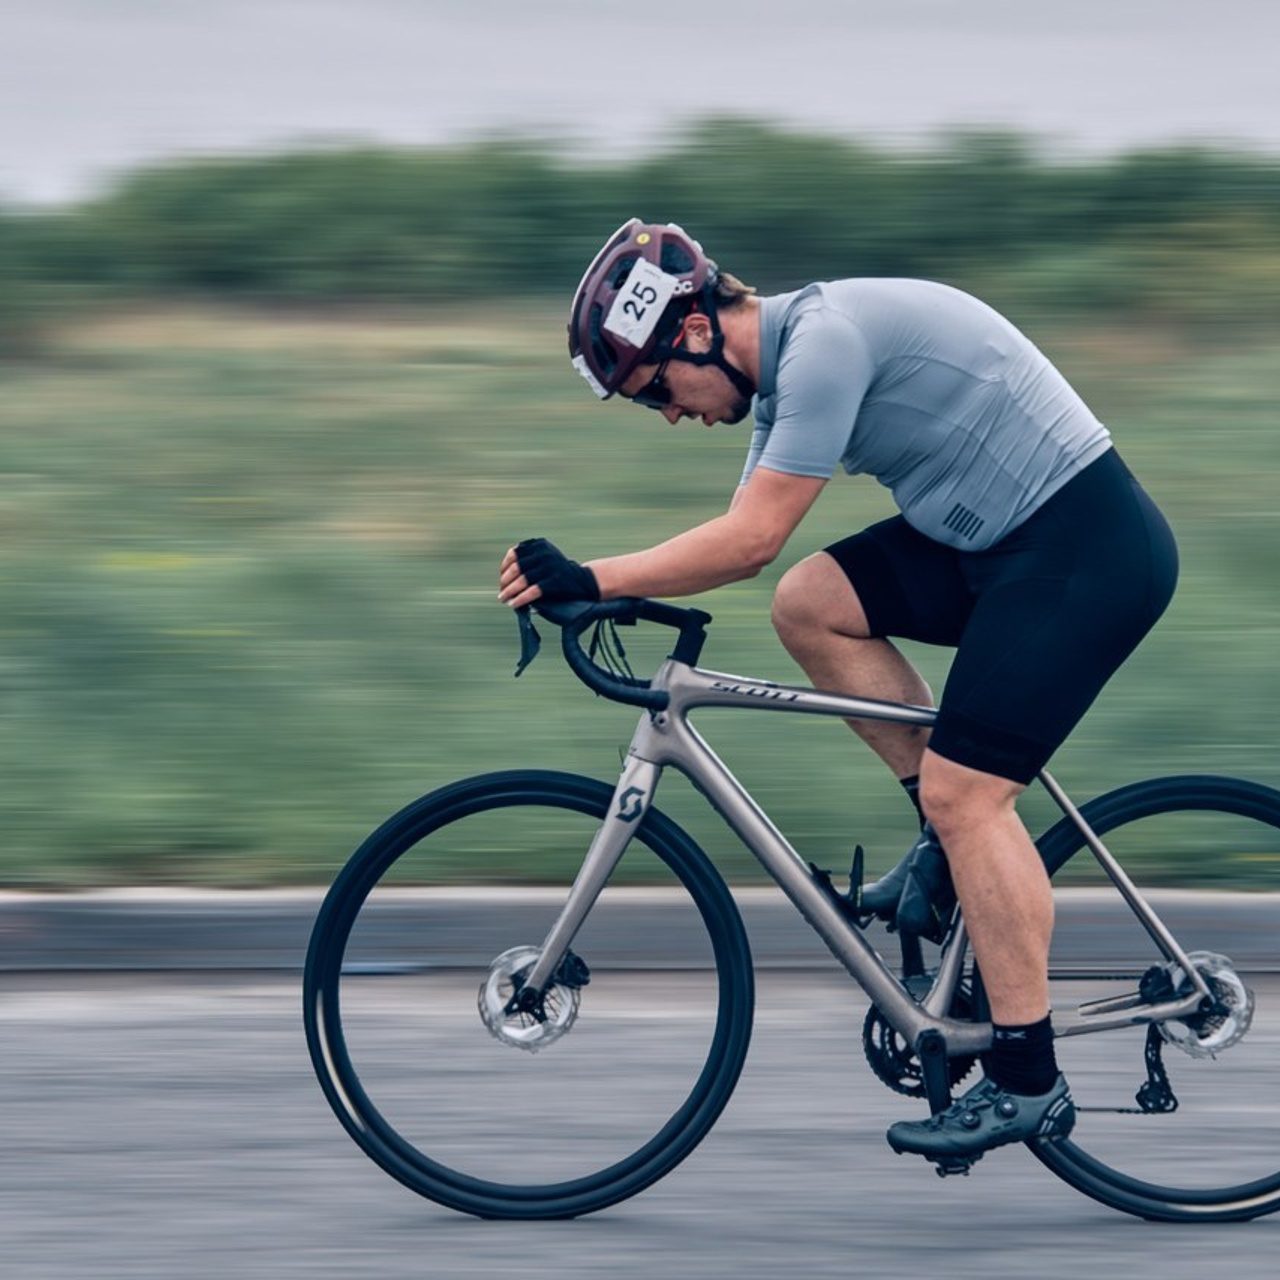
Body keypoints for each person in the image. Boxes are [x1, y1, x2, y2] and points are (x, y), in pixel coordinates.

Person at [497, 218, 1178, 1166]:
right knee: (813, 603)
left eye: (656, 389)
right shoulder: (781, 380)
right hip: (996, 543)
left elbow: (748, 537)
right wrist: (605, 584)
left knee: (968, 793)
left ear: (695, 333)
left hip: (1079, 551)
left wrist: (592, 576)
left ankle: (1028, 1080)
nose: (668, 414)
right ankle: (946, 855)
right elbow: (743, 538)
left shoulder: (822, 347)